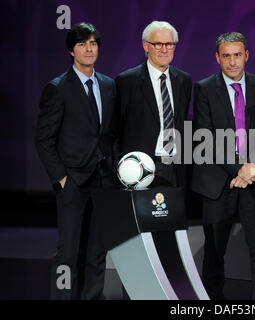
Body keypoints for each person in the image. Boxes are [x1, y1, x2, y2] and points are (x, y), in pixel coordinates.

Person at [191, 32, 255, 300]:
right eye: (226, 56)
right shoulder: (204, 88)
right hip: (220, 181)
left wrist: (253, 168)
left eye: (237, 55)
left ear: (246, 55)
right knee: (215, 252)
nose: (232, 62)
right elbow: (205, 135)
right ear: (217, 58)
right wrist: (237, 169)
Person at [35, 22, 119, 299]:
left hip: (103, 181)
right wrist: (62, 178)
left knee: (97, 253)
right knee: (68, 253)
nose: (88, 49)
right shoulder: (57, 88)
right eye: (82, 44)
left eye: (93, 43)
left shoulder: (107, 85)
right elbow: (44, 140)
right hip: (73, 182)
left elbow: (110, 133)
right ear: (71, 51)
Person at [115, 21, 192, 187]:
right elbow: (115, 129)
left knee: (176, 213)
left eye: (169, 44)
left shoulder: (184, 80)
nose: (164, 49)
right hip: (139, 168)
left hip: (175, 167)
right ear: (145, 46)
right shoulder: (127, 81)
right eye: (158, 44)